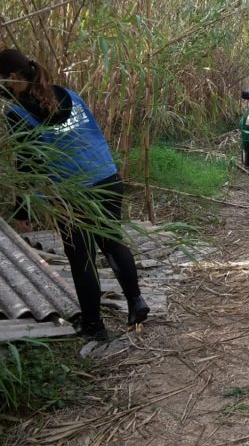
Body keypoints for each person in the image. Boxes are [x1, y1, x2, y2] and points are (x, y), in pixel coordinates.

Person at [0, 49, 149, 340]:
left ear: (14, 78)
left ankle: (94, 326)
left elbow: (27, 164)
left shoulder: (16, 114)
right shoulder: (67, 94)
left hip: (74, 193)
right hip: (106, 177)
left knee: (81, 257)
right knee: (111, 241)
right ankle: (136, 302)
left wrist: (23, 211)